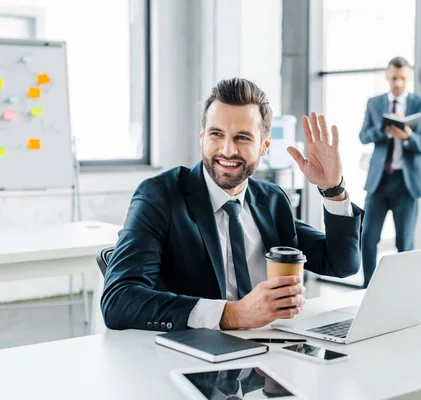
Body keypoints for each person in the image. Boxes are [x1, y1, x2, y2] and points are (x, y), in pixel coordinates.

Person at [101, 78, 362, 331]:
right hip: (193, 356)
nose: (227, 150)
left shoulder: (271, 201)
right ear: (202, 137)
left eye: (243, 138)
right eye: (216, 134)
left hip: (268, 350)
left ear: (264, 146)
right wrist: (234, 314)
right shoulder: (161, 196)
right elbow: (119, 300)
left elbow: (342, 264)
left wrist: (333, 189)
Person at [359, 57, 421, 288]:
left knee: (405, 243)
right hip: (379, 182)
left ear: (409, 77)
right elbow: (363, 136)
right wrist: (384, 130)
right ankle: (367, 289)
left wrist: (409, 137)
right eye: (394, 78)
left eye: (402, 79)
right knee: (368, 237)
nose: (398, 83)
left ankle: (401, 291)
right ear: (387, 76)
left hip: (407, 183)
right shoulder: (374, 103)